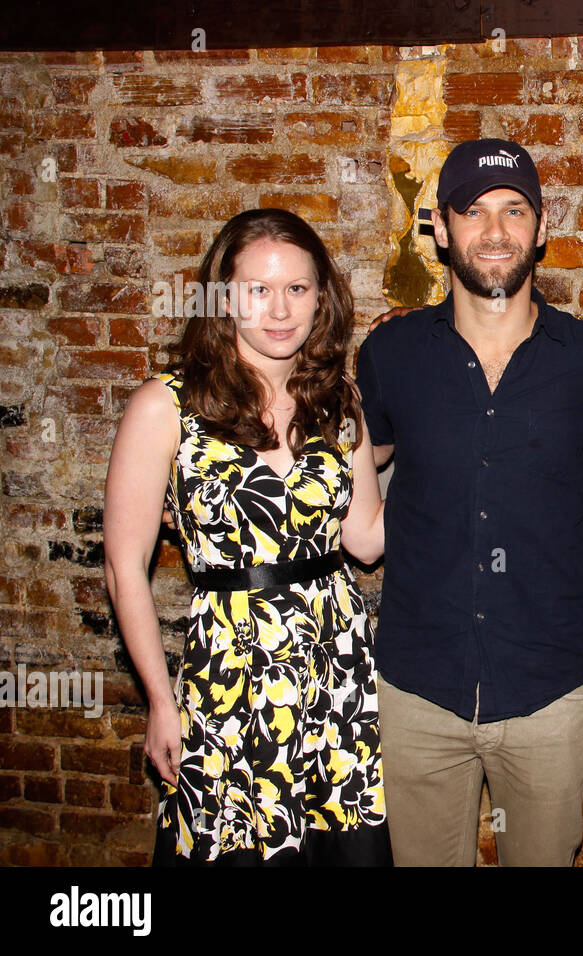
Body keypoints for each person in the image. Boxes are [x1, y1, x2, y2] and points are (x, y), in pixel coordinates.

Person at [356, 138, 583, 866]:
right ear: (440, 228)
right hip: (417, 690)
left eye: (514, 210)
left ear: (540, 228)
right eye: (473, 211)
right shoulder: (392, 355)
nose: (495, 231)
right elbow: (342, 480)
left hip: (546, 692)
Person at [104, 208, 390, 865]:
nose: (281, 309)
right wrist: (158, 701)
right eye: (258, 289)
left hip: (336, 670)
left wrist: (458, 472)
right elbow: (125, 569)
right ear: (222, 298)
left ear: (322, 297)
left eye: (298, 287)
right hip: (231, 675)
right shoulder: (166, 406)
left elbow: (368, 539)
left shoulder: (338, 402)